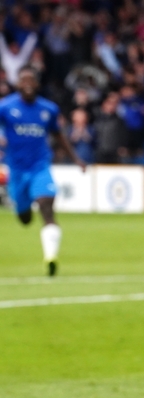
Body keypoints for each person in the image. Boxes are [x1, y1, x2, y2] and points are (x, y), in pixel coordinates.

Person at [0, 65, 86, 276]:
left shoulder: (48, 109)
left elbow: (59, 135)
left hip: (40, 166)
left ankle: (50, 258)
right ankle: (23, 208)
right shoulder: (5, 107)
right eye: (24, 80)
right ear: (18, 84)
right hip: (17, 170)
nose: (28, 84)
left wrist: (75, 158)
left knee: (46, 205)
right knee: (25, 218)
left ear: (37, 84)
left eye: (31, 80)